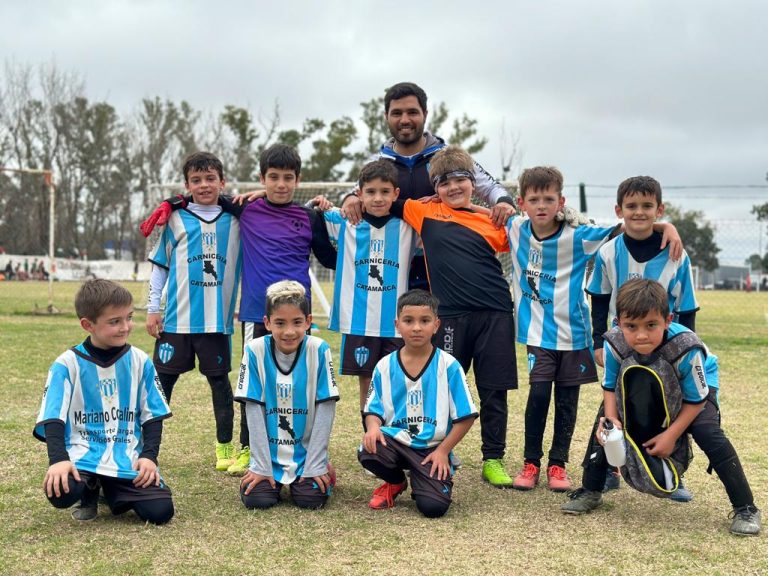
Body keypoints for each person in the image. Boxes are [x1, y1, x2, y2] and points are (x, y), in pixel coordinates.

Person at [139, 145, 337, 476]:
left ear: (298, 180)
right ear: (262, 179)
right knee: (253, 386)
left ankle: (304, 449)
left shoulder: (308, 216)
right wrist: (172, 202)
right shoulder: (245, 211)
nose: (281, 184)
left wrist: (336, 213)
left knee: (302, 385)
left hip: (298, 316)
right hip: (256, 315)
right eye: (273, 178)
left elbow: (330, 258)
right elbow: (204, 197)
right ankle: (248, 449)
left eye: (288, 178)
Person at [505, 167, 681, 492]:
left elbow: (626, 225)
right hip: (536, 336)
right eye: (534, 199)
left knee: (567, 401)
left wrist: (664, 225)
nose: (541, 205)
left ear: (562, 201)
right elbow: (480, 212)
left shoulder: (579, 235)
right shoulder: (515, 227)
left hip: (574, 334)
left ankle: (558, 465)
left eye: (549, 199)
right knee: (540, 394)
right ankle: (531, 462)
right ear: (522, 202)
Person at [561, 279, 761, 536]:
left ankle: (746, 507)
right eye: (631, 326)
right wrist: (610, 421)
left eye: (651, 325)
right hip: (646, 375)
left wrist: (672, 434)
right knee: (607, 422)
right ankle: (591, 489)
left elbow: (696, 400)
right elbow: (610, 387)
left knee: (706, 430)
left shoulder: (687, 349)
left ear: (668, 320)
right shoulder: (614, 344)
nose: (641, 334)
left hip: (695, 390)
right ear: (618, 323)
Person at [388, 146, 518, 488]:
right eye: (445, 183)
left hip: (495, 312)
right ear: (435, 189)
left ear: (473, 183)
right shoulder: (422, 211)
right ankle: (441, 447)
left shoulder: (492, 221)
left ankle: (493, 458)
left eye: (462, 180)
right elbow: (383, 197)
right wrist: (350, 199)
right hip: (449, 316)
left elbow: (533, 232)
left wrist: (503, 205)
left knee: (493, 389)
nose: (454, 188)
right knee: (442, 387)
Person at [585, 175, 698, 498]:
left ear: (659, 209)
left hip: (667, 347)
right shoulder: (608, 253)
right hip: (625, 344)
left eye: (647, 206)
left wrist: (686, 350)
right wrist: (597, 341)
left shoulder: (677, 253)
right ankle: (602, 474)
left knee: (667, 407)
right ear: (619, 210)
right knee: (611, 408)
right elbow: (600, 299)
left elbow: (688, 308)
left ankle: (672, 473)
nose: (639, 212)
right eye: (632, 206)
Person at [341, 82, 516, 289]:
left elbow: (492, 188)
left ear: (424, 113)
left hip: (447, 267)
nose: (405, 120)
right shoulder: (376, 162)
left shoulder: (447, 157)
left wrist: (504, 202)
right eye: (397, 113)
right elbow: (357, 192)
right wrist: (350, 198)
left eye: (412, 112)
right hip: (392, 265)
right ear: (386, 116)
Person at [33, 279, 174, 524]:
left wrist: (149, 457)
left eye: (129, 317)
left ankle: (111, 488)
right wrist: (58, 460)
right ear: (88, 324)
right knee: (61, 491)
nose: (125, 327)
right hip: (82, 455)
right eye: (115, 321)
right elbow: (53, 418)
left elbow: (153, 415)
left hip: (125, 455)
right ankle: (89, 488)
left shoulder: (140, 361)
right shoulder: (66, 364)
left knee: (160, 512)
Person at [146, 151, 242, 472]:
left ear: (222, 182)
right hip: (176, 320)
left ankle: (224, 448)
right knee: (162, 386)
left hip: (216, 323)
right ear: (187, 184)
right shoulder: (175, 217)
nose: (204, 185)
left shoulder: (237, 219)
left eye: (210, 178)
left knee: (220, 384)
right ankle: (146, 450)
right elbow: (161, 266)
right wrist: (152, 309)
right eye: (196, 180)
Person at [359, 289, 478, 517]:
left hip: (432, 448)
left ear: (436, 325)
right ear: (397, 324)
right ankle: (396, 482)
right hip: (397, 440)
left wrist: (444, 450)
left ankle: (426, 481)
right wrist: (373, 427)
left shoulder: (449, 366)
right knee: (369, 449)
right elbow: (373, 409)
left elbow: (466, 416)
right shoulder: (384, 366)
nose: (416, 327)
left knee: (433, 508)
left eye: (424, 321)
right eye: (408, 321)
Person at [323, 159, 417, 413]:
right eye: (371, 192)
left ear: (396, 194)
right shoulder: (345, 221)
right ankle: (370, 434)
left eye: (385, 192)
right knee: (367, 378)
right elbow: (313, 211)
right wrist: (319, 202)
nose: (377, 198)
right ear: (359, 194)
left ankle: (396, 433)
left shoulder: (409, 225)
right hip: (359, 320)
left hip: (395, 321)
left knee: (398, 378)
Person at [235, 281, 338, 510]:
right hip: (268, 458)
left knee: (311, 500)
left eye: (297, 322)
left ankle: (321, 467)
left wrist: (316, 463)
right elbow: (253, 409)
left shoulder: (319, 350)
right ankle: (268, 472)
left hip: (305, 457)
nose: (289, 331)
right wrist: (260, 465)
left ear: (308, 322)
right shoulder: (254, 350)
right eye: (280, 323)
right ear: (267, 323)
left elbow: (326, 407)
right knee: (258, 500)